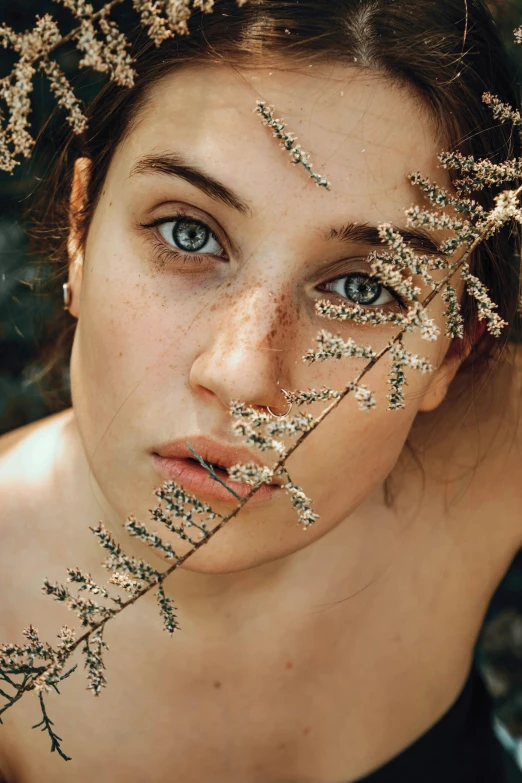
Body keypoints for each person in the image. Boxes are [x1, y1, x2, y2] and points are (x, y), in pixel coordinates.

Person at [1, 0, 522, 780]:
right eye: (189, 233)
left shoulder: (492, 452)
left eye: (364, 287)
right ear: (80, 230)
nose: (243, 375)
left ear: (452, 352)